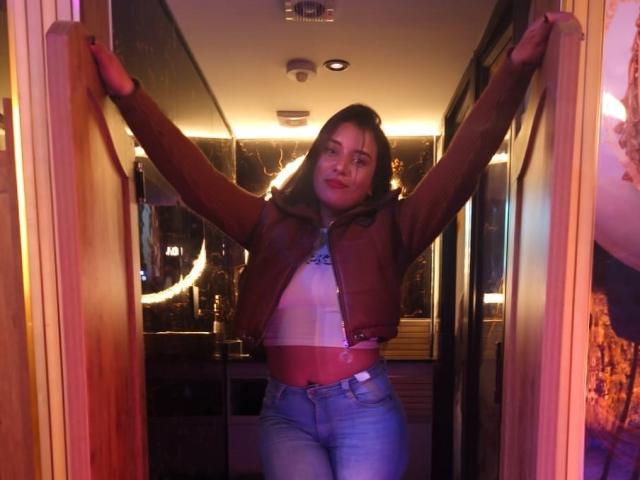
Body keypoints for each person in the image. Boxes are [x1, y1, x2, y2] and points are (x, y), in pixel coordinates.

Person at [91, 11, 572, 479]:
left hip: (364, 410)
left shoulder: (393, 229)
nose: (341, 167)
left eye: (360, 160)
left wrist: (514, 70)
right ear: (315, 157)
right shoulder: (267, 223)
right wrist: (128, 95)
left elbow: (463, 164)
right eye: (331, 151)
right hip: (286, 413)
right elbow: (194, 179)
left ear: (373, 180)